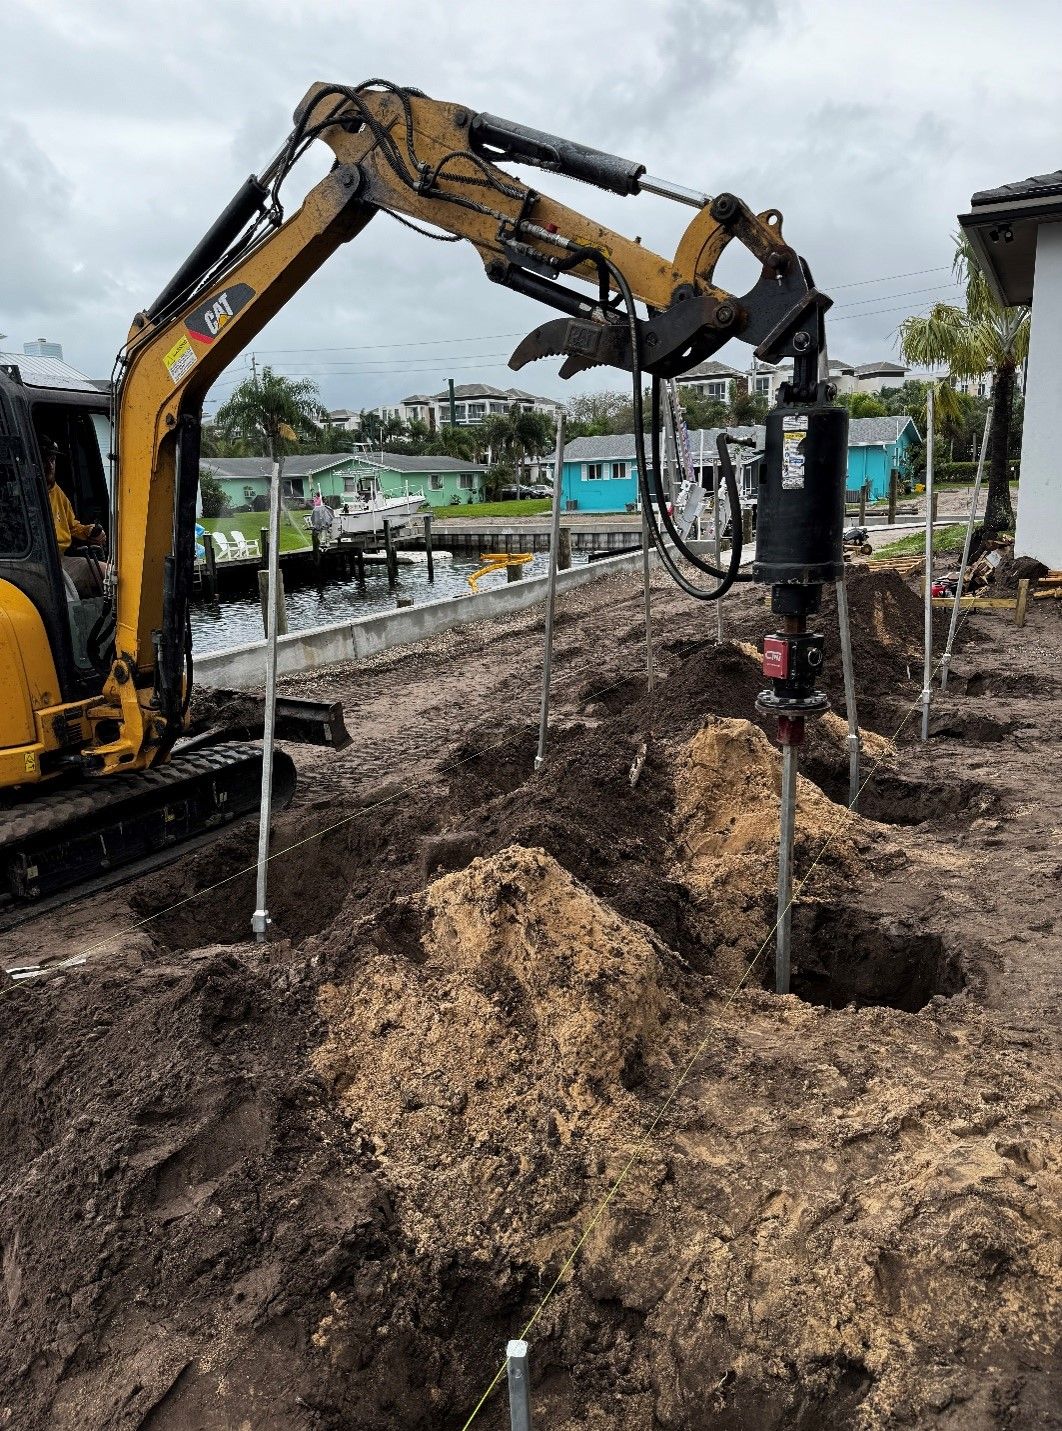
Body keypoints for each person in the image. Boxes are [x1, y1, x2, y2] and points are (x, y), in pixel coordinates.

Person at [41, 439, 107, 597]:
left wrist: (89, 531)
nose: (50, 466)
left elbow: (72, 526)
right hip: (36, 564)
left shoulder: (57, 493)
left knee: (110, 573)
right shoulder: (21, 493)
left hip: (61, 560)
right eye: (44, 460)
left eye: (52, 460)